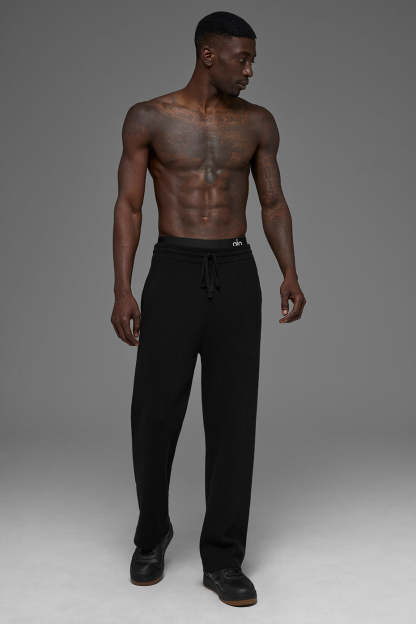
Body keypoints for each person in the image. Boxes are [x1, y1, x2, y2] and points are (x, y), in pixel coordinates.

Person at [111, 10, 306, 607]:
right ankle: (152, 534)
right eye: (242, 59)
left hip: (237, 271)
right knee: (154, 413)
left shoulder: (258, 123)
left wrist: (289, 271)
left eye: (253, 60)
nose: (249, 71)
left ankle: (223, 557)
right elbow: (129, 206)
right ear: (208, 55)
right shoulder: (149, 117)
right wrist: (122, 288)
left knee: (232, 419)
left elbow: (273, 202)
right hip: (174, 270)